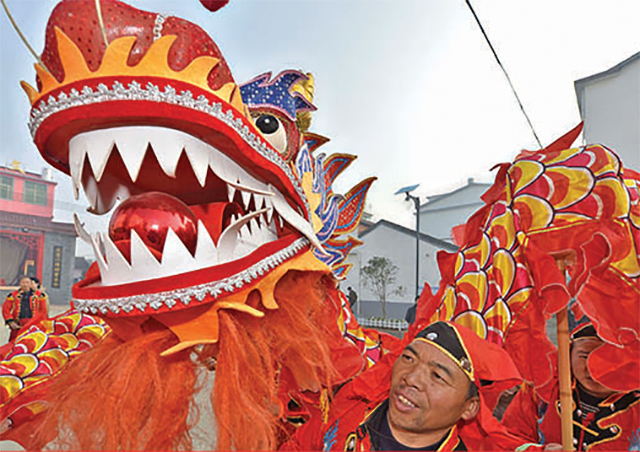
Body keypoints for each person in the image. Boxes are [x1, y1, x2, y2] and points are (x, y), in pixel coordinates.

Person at [283, 321, 523, 451]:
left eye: (437, 376)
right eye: (408, 359)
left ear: (469, 408)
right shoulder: (351, 412)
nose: (411, 378)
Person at [502, 320, 640, 451]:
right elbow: (504, 440)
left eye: (610, 359)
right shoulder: (540, 390)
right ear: (568, 354)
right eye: (585, 356)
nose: (594, 369)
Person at [2, 276, 49, 342]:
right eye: (23, 282)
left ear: (30, 284)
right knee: (15, 342)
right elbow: (6, 309)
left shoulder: (40, 296)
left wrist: (42, 322)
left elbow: (43, 311)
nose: (25, 284)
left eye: (27, 282)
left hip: (33, 323)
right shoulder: (13, 295)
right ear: (20, 284)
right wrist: (11, 322)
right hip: (18, 323)